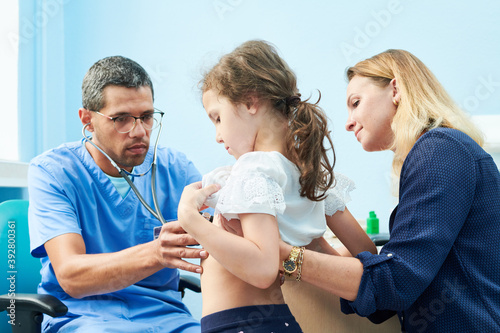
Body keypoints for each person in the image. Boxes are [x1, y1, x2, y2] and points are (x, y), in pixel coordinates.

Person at [279, 49, 500, 332]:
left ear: (395, 89)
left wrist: (282, 256)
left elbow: (396, 282)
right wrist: (316, 245)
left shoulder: (440, 150)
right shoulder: (439, 152)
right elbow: (388, 298)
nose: (348, 122)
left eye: (355, 103)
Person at [177, 40, 377, 333]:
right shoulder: (306, 172)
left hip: (237, 325)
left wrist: (191, 221)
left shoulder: (253, 169)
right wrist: (303, 254)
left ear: (250, 101)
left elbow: (261, 269)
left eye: (218, 118)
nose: (218, 136)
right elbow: (367, 253)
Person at [28, 56, 206, 332]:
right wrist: (156, 253)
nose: (139, 132)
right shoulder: (53, 172)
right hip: (83, 317)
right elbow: (71, 275)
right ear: (88, 120)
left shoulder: (175, 169)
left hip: (166, 318)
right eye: (122, 119)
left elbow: (223, 237)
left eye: (147, 117)